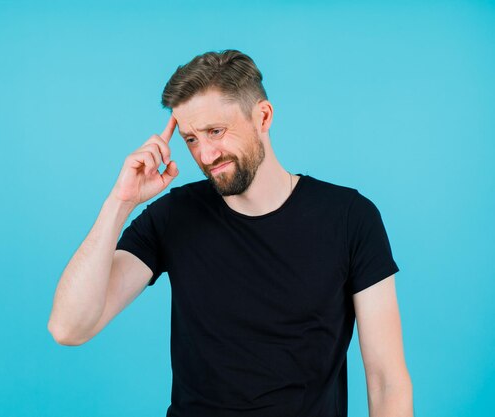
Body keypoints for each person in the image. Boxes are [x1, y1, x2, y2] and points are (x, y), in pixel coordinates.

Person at [47, 50, 413, 417]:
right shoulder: (174, 216)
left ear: (263, 117)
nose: (205, 155)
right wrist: (120, 202)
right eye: (190, 139)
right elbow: (68, 328)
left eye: (215, 132)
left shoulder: (349, 218)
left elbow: (386, 382)